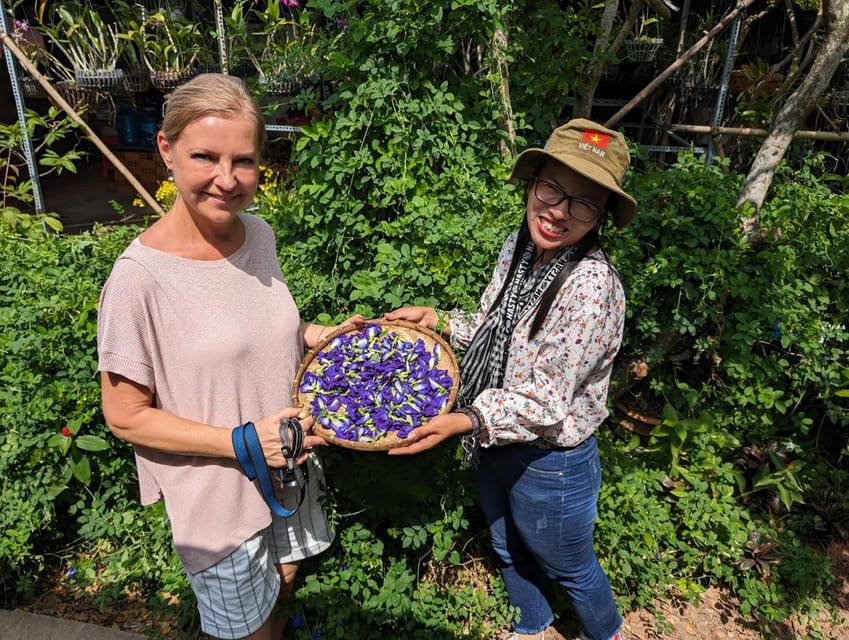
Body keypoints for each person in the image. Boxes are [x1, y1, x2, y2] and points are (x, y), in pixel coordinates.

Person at [97, 73, 358, 640]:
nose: (226, 179)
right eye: (204, 157)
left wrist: (317, 334)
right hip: (218, 501)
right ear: (165, 151)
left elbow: (258, 324)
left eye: (243, 161)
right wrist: (240, 442)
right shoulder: (138, 281)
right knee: (250, 632)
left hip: (288, 471)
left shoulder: (257, 234)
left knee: (284, 583)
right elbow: (124, 415)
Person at [385, 119, 637, 640]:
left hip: (550, 462)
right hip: (491, 437)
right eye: (551, 188)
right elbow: (493, 323)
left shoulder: (591, 287)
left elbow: (545, 402)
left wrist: (467, 419)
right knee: (504, 543)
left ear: (601, 217)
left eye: (584, 204)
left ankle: (605, 632)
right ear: (532, 182)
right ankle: (534, 622)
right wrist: (439, 320)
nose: (559, 211)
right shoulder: (519, 246)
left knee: (570, 566)